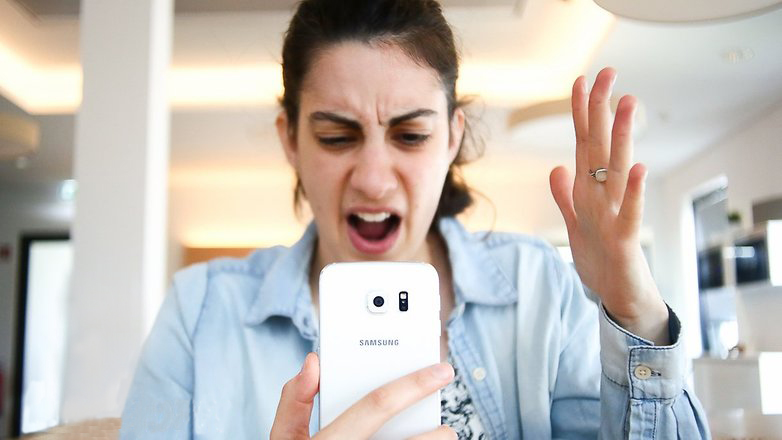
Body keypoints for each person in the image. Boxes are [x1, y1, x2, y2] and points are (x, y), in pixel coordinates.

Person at [120, 0, 710, 438]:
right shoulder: (200, 313)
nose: (374, 179)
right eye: (336, 136)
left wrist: (636, 313)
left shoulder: (539, 286)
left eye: (410, 135)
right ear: (290, 139)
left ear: (452, 137)